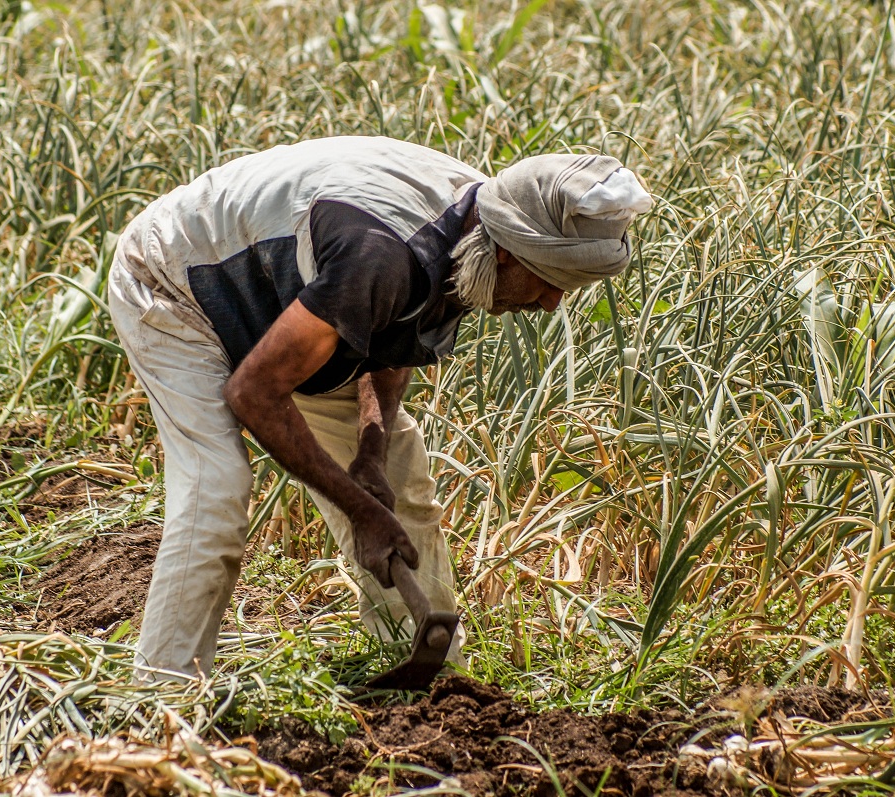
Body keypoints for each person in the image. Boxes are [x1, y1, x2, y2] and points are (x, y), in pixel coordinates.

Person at [106, 136, 652, 679]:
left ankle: (433, 679)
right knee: (216, 490)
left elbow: (394, 331)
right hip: (177, 283)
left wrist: (370, 446)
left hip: (289, 304)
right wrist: (361, 510)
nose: (553, 301)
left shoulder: (486, 223)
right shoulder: (382, 252)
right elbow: (254, 393)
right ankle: (164, 696)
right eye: (551, 282)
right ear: (508, 252)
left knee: (396, 475)